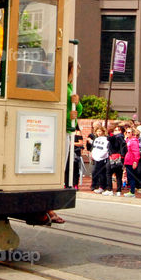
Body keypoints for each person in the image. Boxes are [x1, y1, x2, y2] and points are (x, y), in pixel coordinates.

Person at [64, 58, 83, 189]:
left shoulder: (70, 87)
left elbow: (78, 110)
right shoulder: (65, 87)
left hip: (68, 128)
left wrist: (77, 104)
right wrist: (68, 116)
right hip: (63, 127)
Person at [90, 126, 110, 194]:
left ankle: (102, 186)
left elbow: (105, 150)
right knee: (94, 172)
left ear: (103, 132)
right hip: (96, 158)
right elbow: (94, 148)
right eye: (97, 131)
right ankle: (94, 185)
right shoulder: (96, 139)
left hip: (102, 159)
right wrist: (93, 155)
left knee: (101, 173)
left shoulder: (106, 139)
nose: (98, 133)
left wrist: (100, 156)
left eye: (100, 131)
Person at [108, 126, 127, 195]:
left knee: (112, 173)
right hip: (116, 158)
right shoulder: (118, 138)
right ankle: (117, 190)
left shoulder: (118, 138)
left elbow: (123, 148)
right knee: (117, 174)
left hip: (116, 158)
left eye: (118, 130)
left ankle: (112, 190)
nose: (116, 132)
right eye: (115, 130)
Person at [124, 128, 141, 197]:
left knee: (131, 176)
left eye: (129, 132)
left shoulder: (133, 142)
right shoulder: (128, 140)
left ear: (132, 133)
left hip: (131, 160)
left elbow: (136, 152)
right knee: (129, 176)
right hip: (127, 160)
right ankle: (131, 191)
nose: (127, 134)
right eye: (126, 132)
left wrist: (135, 161)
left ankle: (132, 191)